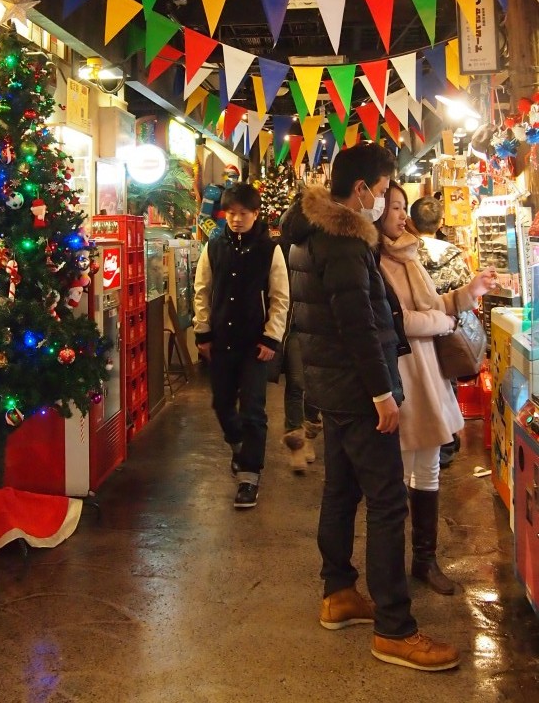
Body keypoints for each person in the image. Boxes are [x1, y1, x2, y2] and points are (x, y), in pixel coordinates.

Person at [286, 141, 460, 672]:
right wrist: (383, 393)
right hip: (359, 393)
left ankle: (338, 592)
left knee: (340, 490)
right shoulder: (342, 240)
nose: (387, 203)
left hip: (332, 389)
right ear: (361, 190)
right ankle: (394, 628)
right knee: (387, 503)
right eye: (384, 192)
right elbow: (356, 324)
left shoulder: (309, 230)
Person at [378, 181, 496, 595]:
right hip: (400, 375)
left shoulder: (409, 255)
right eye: (392, 207)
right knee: (396, 471)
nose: (399, 215)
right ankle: (394, 569)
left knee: (426, 468)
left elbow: (432, 305)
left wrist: (469, 292)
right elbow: (400, 321)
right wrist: (444, 323)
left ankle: (424, 560)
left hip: (427, 372)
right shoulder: (374, 261)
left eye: (400, 207)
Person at [193, 182, 290, 510]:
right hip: (221, 341)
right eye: (231, 213)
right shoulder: (214, 245)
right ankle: (237, 444)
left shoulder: (269, 249)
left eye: (243, 214)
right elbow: (202, 289)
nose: (236, 219)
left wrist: (271, 337)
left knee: (253, 410)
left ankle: (249, 475)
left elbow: (280, 297)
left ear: (256, 214)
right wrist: (203, 332)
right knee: (221, 404)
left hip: (254, 344)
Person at [410, 194, 472, 468]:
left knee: (422, 386)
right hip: (449, 331)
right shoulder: (455, 255)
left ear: (412, 221)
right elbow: (467, 293)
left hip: (419, 332)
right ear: (440, 222)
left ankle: (427, 438)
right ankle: (447, 443)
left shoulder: (408, 254)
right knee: (450, 384)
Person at [278, 196, 322, 474]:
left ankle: (308, 430)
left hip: (319, 324)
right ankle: (296, 441)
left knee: (315, 382)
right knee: (296, 381)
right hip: (293, 322)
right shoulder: (281, 247)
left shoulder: (324, 245)